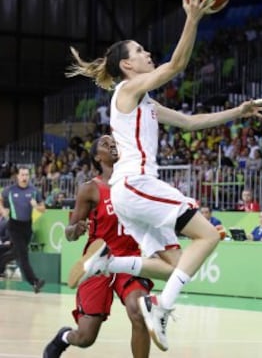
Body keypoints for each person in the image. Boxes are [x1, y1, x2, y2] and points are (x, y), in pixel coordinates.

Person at [65, 0, 262, 351]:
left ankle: (109, 264)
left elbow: (191, 123)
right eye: (140, 51)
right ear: (128, 65)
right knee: (206, 237)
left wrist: (238, 112)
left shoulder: (145, 100)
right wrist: (192, 17)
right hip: (137, 183)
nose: (147, 54)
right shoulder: (128, 89)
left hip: (132, 194)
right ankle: (160, 306)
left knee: (178, 265)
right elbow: (175, 66)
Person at [43, 135, 172, 358]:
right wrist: (76, 229)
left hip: (129, 260)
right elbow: (70, 232)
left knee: (139, 311)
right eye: (105, 144)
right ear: (96, 157)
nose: (112, 144)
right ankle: (64, 337)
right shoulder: (90, 189)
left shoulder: (136, 184)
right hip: (98, 261)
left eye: (114, 142)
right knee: (85, 338)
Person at [0, 166, 46, 292]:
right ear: (18, 176)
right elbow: (1, 199)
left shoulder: (34, 191)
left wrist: (36, 206)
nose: (24, 177)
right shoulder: (10, 190)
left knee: (16, 253)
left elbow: (43, 208)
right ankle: (35, 282)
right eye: (22, 175)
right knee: (23, 255)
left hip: (27, 227)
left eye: (26, 175)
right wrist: (3, 210)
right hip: (14, 226)